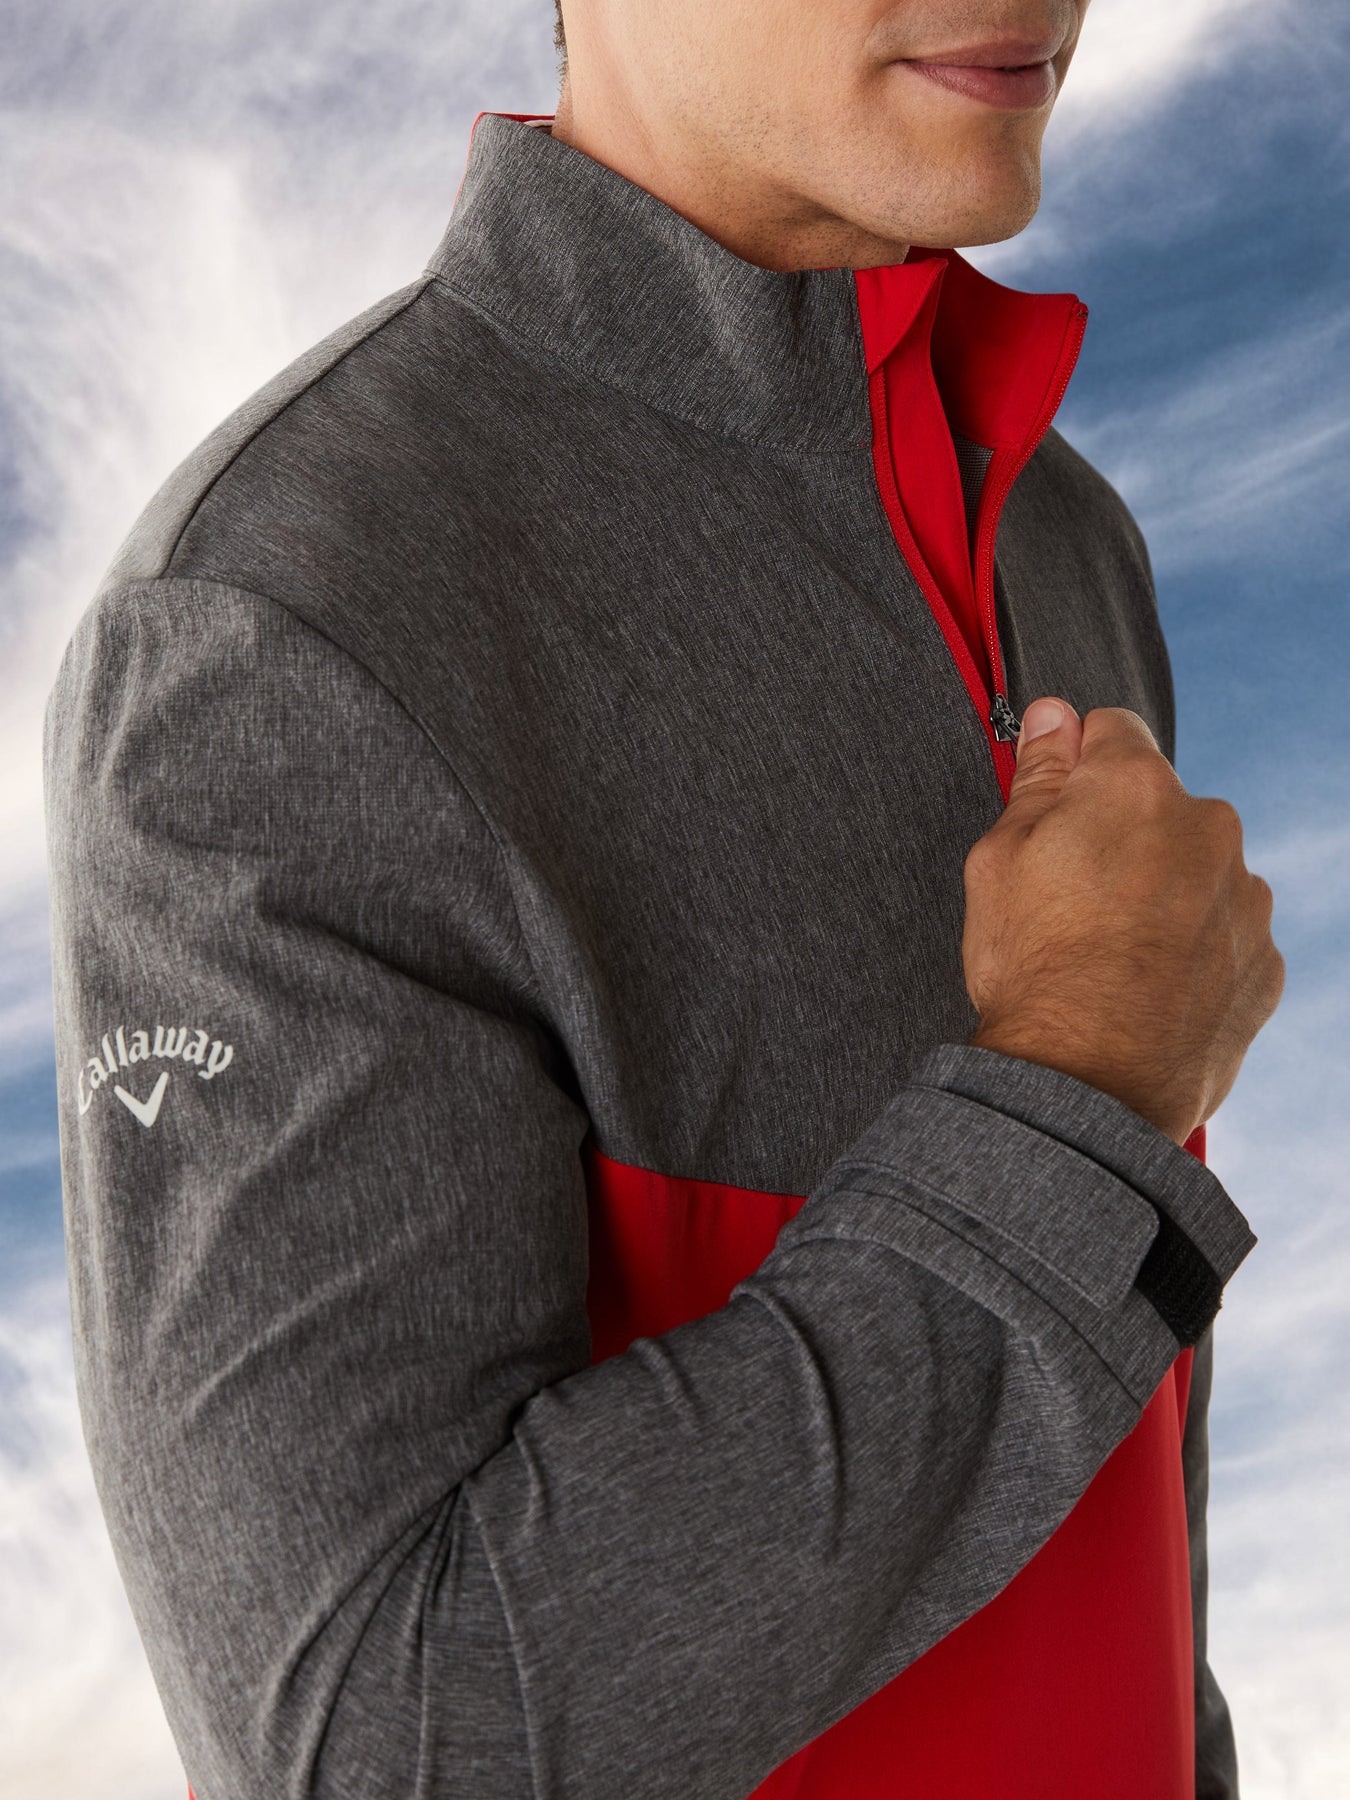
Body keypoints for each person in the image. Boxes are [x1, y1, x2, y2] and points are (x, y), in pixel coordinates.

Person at [42, 1, 1283, 1796]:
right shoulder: (281, 619)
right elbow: (381, 1745)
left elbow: (1116, 1528)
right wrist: (1078, 1086)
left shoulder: (1059, 531)